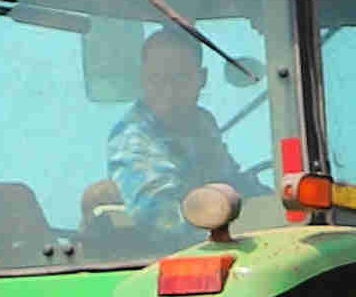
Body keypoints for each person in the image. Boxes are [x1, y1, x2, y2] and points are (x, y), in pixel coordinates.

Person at [101, 33, 255, 234]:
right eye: (156, 80)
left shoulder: (202, 123)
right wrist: (238, 227)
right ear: (142, 79)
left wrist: (271, 205)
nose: (169, 92)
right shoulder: (133, 139)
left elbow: (230, 180)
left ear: (202, 78)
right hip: (164, 255)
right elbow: (160, 216)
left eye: (179, 79)